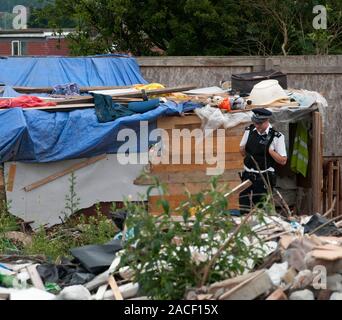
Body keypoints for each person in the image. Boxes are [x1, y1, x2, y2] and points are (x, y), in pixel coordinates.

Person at [239, 108, 287, 214]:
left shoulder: (276, 136)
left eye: (259, 124)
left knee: (261, 212)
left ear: (266, 121)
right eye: (255, 122)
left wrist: (270, 151)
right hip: (247, 177)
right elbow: (242, 150)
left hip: (263, 179)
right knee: (244, 208)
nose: (257, 126)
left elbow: (283, 160)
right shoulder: (249, 130)